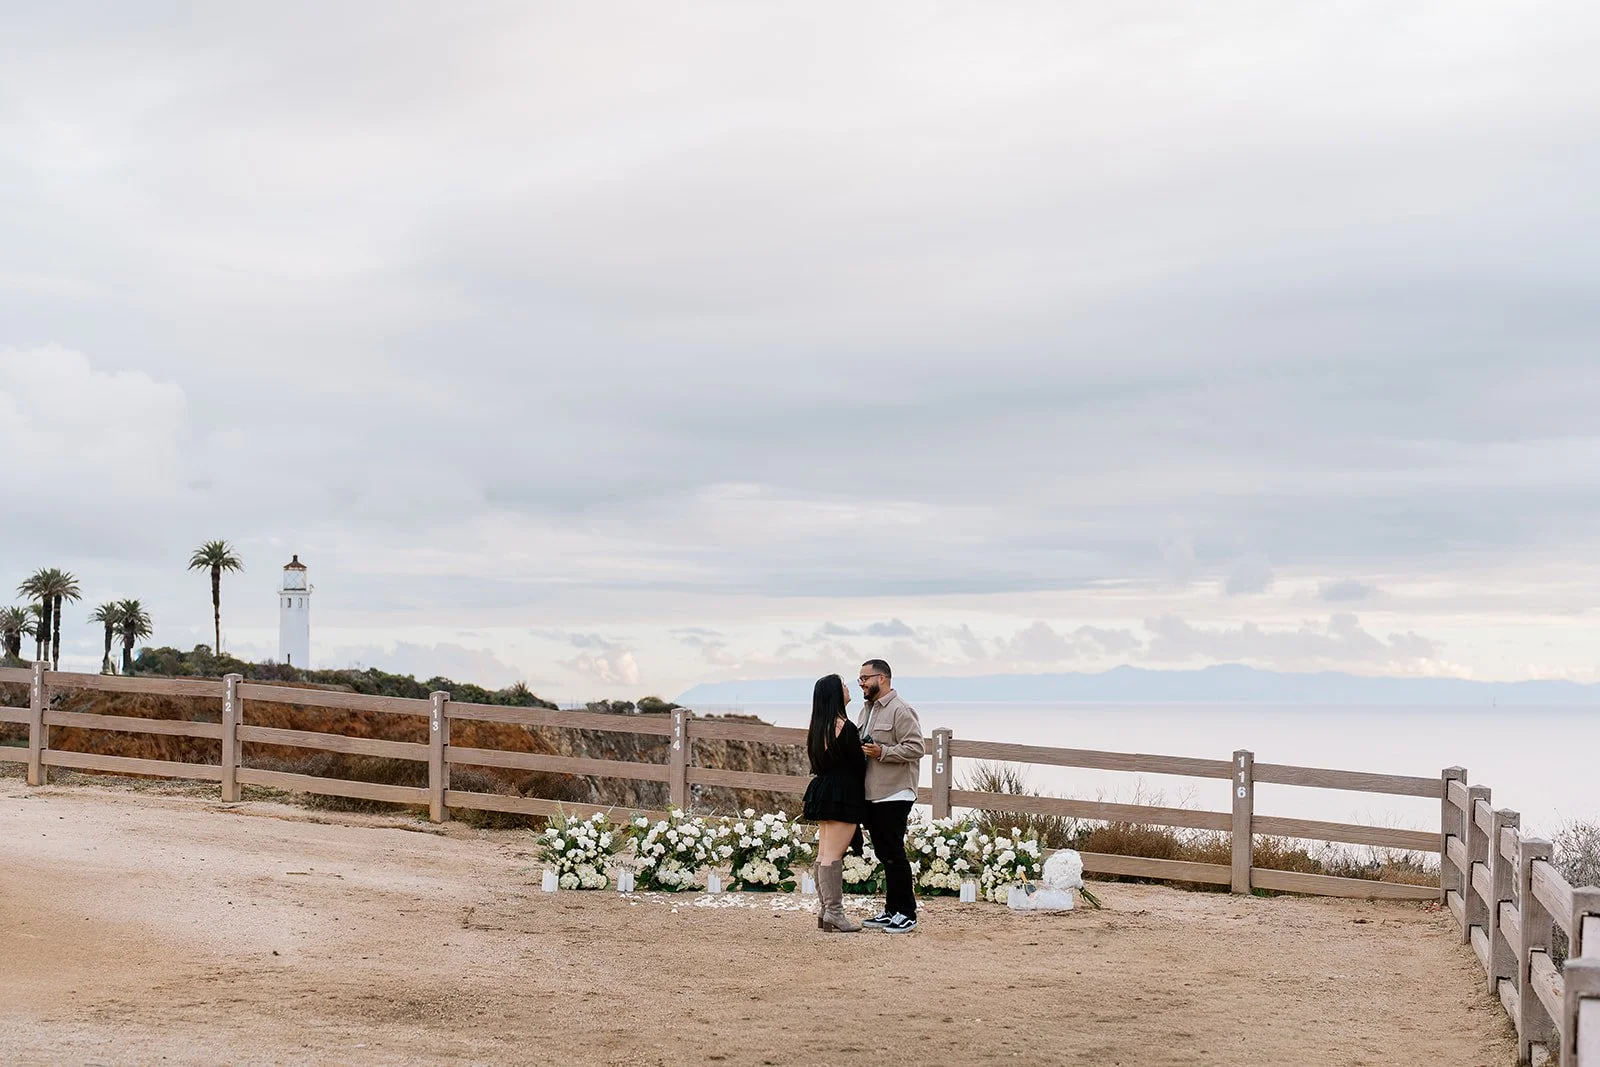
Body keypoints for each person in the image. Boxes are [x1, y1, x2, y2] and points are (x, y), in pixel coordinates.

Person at [856, 659, 925, 933]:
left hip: (895, 791)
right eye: (860, 679)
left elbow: (916, 747)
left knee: (894, 853)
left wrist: (882, 752)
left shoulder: (901, 710)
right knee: (885, 853)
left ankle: (907, 913)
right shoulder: (866, 710)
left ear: (882, 678)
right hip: (873, 792)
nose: (861, 683)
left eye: (865, 678)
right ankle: (891, 910)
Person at [802, 674, 867, 932]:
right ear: (834, 694)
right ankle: (834, 913)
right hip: (843, 795)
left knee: (824, 853)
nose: (848, 688)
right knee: (832, 856)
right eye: (843, 685)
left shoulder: (819, 726)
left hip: (824, 791)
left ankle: (825, 911)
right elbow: (858, 766)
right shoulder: (845, 727)